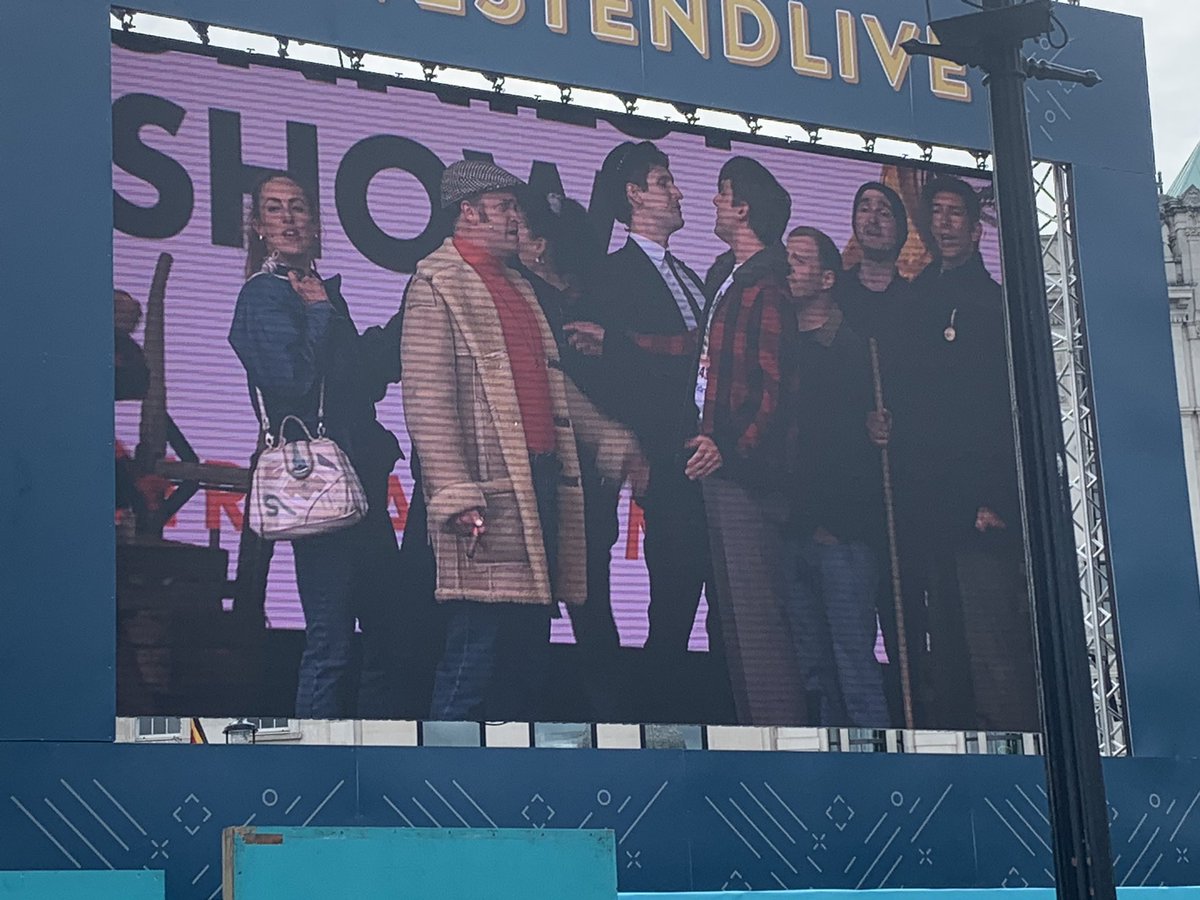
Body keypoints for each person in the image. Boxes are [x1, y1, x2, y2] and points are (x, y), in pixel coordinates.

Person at [400, 160, 637, 722]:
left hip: (541, 481)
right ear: (468, 211)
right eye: (505, 206)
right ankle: (445, 778)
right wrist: (456, 493)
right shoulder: (437, 283)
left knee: (527, 648)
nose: (516, 218)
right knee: (475, 646)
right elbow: (428, 400)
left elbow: (553, 387)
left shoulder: (518, 287)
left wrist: (608, 437)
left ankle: (505, 779)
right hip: (489, 490)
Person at [228, 170, 404, 720]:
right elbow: (291, 381)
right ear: (257, 227)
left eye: (298, 207)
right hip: (318, 479)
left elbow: (357, 379)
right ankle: (317, 757)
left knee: (384, 630)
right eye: (274, 209)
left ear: (316, 221)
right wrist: (322, 312)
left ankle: (374, 750)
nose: (288, 218)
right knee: (331, 636)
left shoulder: (316, 289)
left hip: (358, 476)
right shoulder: (264, 294)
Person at [563, 141, 726, 722]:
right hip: (646, 453)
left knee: (698, 584)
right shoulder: (607, 276)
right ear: (633, 195)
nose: (678, 192)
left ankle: (680, 698)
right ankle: (637, 707)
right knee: (654, 583)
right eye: (664, 181)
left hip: (698, 454)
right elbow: (597, 368)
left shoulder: (691, 276)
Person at [885, 175, 1038, 731]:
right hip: (925, 506)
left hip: (978, 509)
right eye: (938, 213)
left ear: (976, 231)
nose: (944, 223)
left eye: (955, 214)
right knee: (942, 653)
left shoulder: (994, 305)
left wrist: (996, 495)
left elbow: (1007, 412)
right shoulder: (914, 299)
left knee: (991, 652)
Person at [514, 191, 637, 720]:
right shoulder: (520, 298)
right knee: (541, 603)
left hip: (588, 478)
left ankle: (605, 717)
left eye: (522, 229)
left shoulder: (594, 306)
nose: (514, 238)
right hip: (541, 471)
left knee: (589, 601)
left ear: (541, 246)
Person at [694, 156, 803, 725]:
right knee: (733, 618)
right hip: (719, 468)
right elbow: (700, 356)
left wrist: (732, 449)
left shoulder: (766, 287)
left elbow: (774, 389)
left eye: (722, 193)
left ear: (743, 208)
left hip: (744, 476)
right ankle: (755, 735)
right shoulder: (727, 277)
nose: (713, 201)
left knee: (757, 620)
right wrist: (615, 340)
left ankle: (781, 743)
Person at [782, 226, 889, 727]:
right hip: (791, 531)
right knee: (812, 673)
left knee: (854, 671)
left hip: (841, 537)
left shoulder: (855, 350)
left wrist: (835, 524)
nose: (788, 269)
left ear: (827, 277)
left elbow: (862, 452)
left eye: (799, 261)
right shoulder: (778, 347)